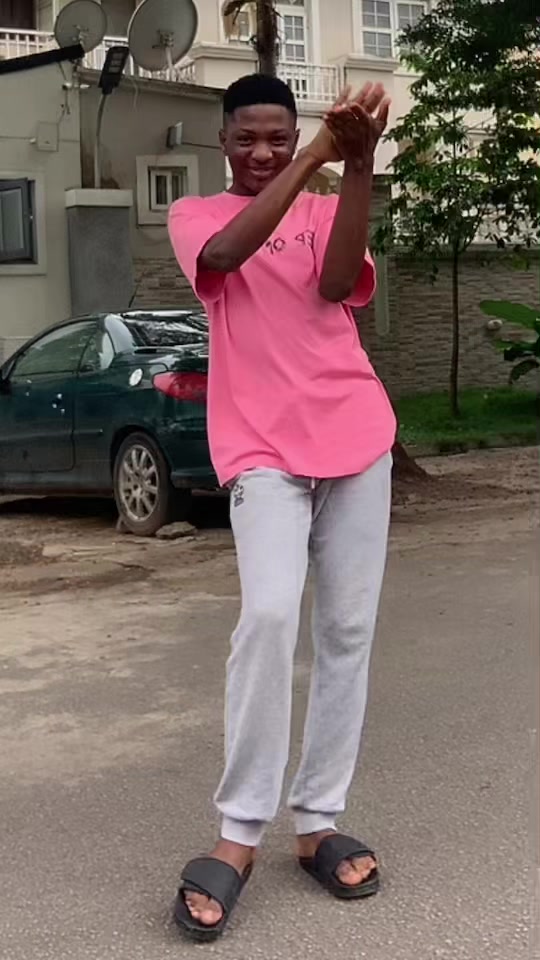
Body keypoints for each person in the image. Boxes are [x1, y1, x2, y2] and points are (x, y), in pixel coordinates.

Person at [168, 72, 396, 942]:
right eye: (247, 139)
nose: (262, 152)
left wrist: (359, 164)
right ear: (223, 142)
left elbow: (337, 285)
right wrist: (316, 156)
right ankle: (239, 833)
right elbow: (227, 257)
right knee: (267, 616)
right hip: (261, 445)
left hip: (355, 433)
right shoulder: (195, 214)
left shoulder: (323, 207)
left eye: (279, 138)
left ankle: (318, 821)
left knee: (346, 630)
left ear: (294, 135)